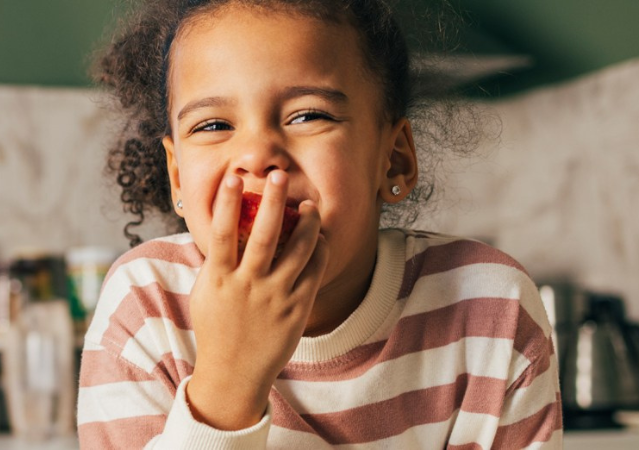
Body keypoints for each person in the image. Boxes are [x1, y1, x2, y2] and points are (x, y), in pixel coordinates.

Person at [77, 0, 563, 448]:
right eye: (213, 125)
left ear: (393, 160)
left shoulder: (490, 309)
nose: (256, 154)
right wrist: (227, 385)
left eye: (308, 115)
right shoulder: (143, 311)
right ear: (177, 178)